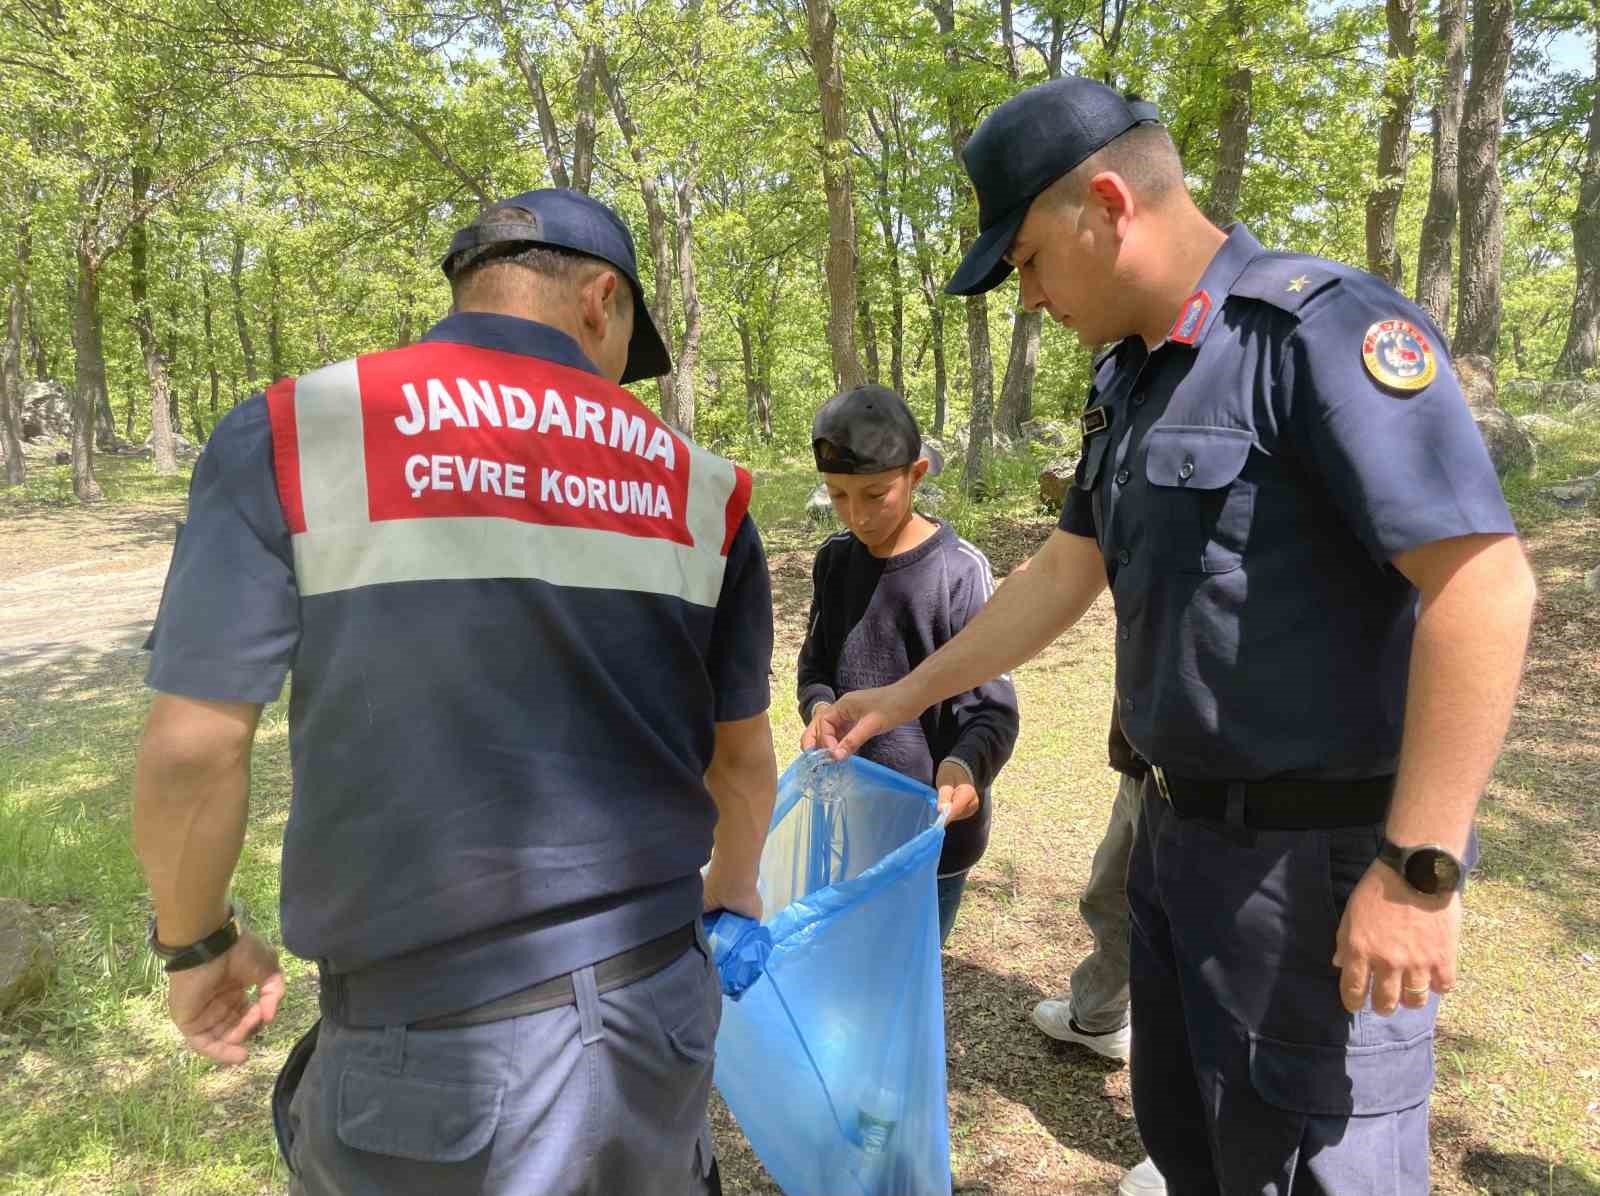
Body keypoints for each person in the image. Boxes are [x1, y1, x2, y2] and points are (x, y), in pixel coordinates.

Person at [810, 77, 1536, 1195]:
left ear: (1106, 203)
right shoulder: (1128, 375)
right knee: (1194, 1143)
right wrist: (897, 697)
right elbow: (1065, 568)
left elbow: (1481, 586)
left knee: (1315, 1167)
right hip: (1172, 846)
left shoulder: (1317, 333)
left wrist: (1418, 868)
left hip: (1312, 870)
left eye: (1029, 263)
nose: (1029, 298)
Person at [132, 188, 778, 1196]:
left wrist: (198, 940)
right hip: (656, 1011)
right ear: (600, 301)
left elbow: (193, 748)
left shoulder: (301, 434)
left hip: (425, 1055)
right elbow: (738, 763)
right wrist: (733, 894)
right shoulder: (703, 490)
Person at [797, 384, 1019, 945]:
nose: (857, 516)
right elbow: (816, 663)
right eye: (838, 496)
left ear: (916, 474)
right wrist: (820, 707)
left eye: (875, 494)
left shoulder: (959, 572)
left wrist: (965, 768)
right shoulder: (833, 562)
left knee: (911, 964)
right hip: (850, 821)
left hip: (932, 836)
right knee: (849, 961)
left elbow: (992, 708)